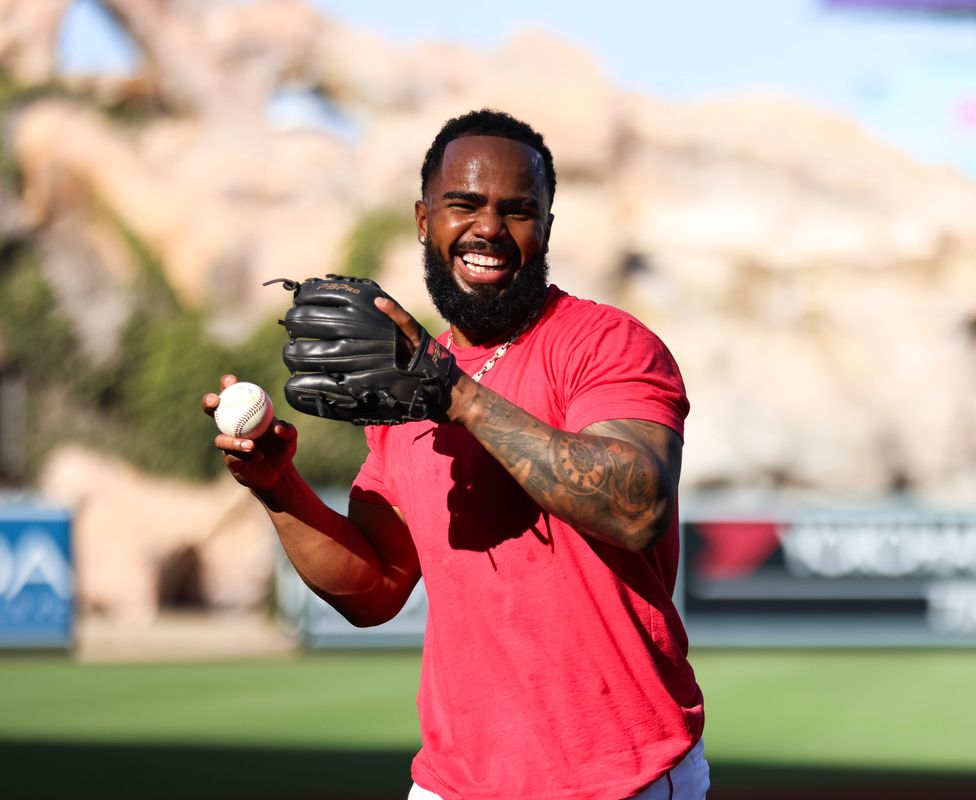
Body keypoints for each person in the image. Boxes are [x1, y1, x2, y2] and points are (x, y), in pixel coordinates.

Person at [204, 109, 707, 800]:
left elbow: (638, 504)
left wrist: (456, 396)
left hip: (617, 777)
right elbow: (377, 588)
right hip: (455, 782)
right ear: (423, 219)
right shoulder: (405, 384)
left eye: (518, 210)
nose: (489, 229)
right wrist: (276, 486)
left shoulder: (606, 344)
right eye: (464, 205)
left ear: (547, 226)